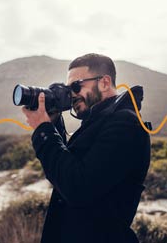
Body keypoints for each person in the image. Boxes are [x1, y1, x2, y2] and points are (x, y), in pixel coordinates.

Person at [21, 53, 151, 243]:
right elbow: (70, 167)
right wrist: (54, 123)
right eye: (68, 88)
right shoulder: (98, 122)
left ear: (105, 83)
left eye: (76, 86)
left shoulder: (126, 125)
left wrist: (43, 131)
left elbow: (78, 187)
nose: (72, 94)